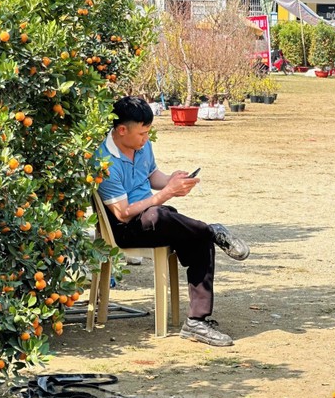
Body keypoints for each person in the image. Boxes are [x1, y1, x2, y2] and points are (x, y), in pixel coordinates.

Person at [96, 96, 250, 346]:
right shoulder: (103, 161)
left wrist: (170, 181)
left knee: (194, 237)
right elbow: (122, 213)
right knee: (161, 213)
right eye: (142, 134)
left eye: (148, 133)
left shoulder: (141, 146)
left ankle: (196, 322)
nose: (146, 139)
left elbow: (151, 174)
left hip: (153, 216)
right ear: (122, 130)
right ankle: (212, 231)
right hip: (124, 228)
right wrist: (165, 194)